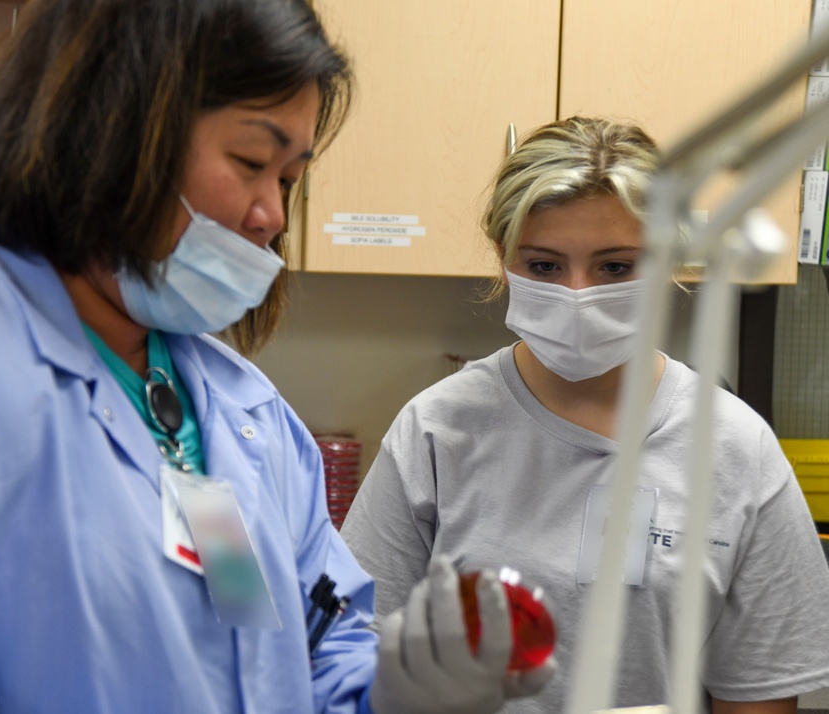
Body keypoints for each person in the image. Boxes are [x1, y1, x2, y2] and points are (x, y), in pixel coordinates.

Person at [0, 1, 554, 712]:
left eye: (290, 178)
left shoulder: (240, 414)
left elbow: (294, 646)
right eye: (251, 161)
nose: (272, 214)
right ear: (110, 124)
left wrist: (395, 692)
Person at [340, 116, 829, 713]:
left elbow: (759, 693)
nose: (578, 294)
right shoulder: (437, 431)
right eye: (545, 266)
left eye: (616, 267)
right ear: (504, 259)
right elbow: (357, 660)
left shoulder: (733, 448)